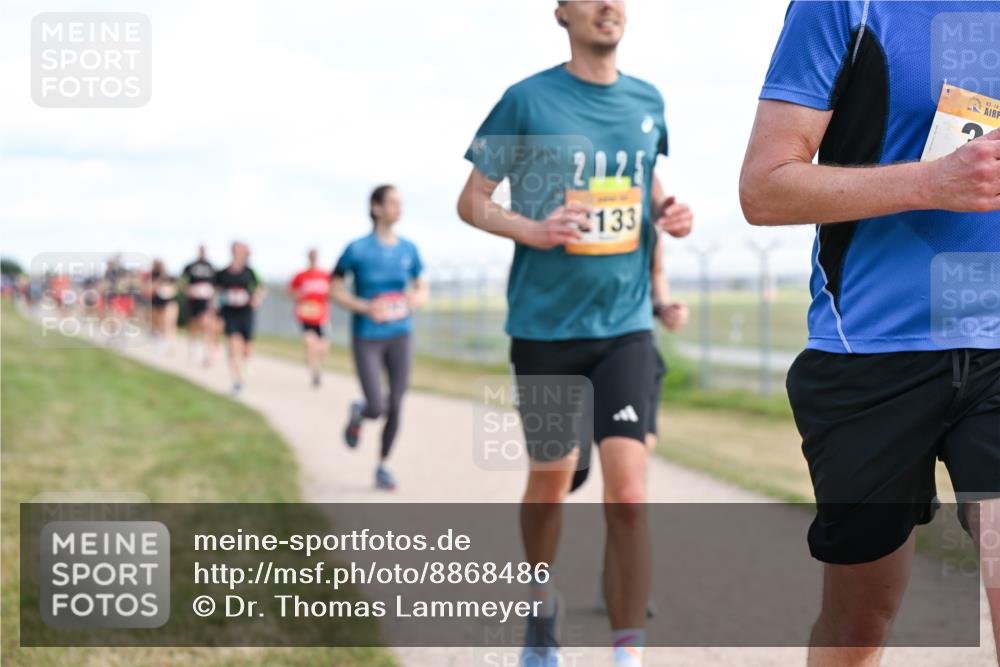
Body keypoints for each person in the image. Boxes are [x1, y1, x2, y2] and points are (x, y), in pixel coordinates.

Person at [740, 2, 1000, 665]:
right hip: (869, 351)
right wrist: (933, 181)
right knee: (859, 620)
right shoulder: (845, 7)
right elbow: (765, 189)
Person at [456, 3, 693, 665]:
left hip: (624, 327)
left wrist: (668, 211)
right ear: (561, 12)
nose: (607, 6)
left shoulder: (648, 101)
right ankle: (540, 603)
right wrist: (532, 229)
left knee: (630, 490)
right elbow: (471, 199)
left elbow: (644, 182)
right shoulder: (527, 101)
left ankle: (626, 652)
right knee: (552, 479)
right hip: (545, 328)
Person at [331, 185, 428, 491]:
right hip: (367, 336)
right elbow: (334, 290)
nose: (399, 208)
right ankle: (361, 411)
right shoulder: (356, 249)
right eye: (392, 203)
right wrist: (364, 306)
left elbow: (422, 288)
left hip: (401, 334)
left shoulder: (409, 249)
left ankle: (383, 465)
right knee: (378, 405)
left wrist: (415, 299)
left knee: (397, 403)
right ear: (375, 207)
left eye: (401, 203)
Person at [214, 242, 266, 394]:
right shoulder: (223, 272)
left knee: (247, 347)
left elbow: (261, 287)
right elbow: (216, 291)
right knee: (233, 345)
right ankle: (237, 380)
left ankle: (245, 364)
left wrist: (257, 297)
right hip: (229, 313)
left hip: (246, 312)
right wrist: (215, 307)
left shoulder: (251, 272)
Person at [288, 248, 332, 387]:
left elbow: (333, 292)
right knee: (309, 343)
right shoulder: (300, 276)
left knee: (322, 347)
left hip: (321, 316)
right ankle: (314, 372)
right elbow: (290, 292)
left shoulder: (325, 275)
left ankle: (318, 366)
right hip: (305, 315)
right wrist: (299, 295)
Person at [181, 245, 219, 366]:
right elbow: (182, 280)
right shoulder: (190, 266)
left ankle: (207, 351)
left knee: (205, 322)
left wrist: (213, 296)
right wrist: (186, 290)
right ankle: (193, 343)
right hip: (193, 299)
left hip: (205, 300)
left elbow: (216, 284)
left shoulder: (211, 266)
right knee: (193, 322)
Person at [149, 259, 179, 351]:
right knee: (159, 322)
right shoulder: (153, 276)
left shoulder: (170, 277)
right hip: (157, 302)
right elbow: (150, 289)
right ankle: (160, 338)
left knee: (169, 322)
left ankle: (169, 342)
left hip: (169, 302)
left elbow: (175, 288)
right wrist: (159, 281)